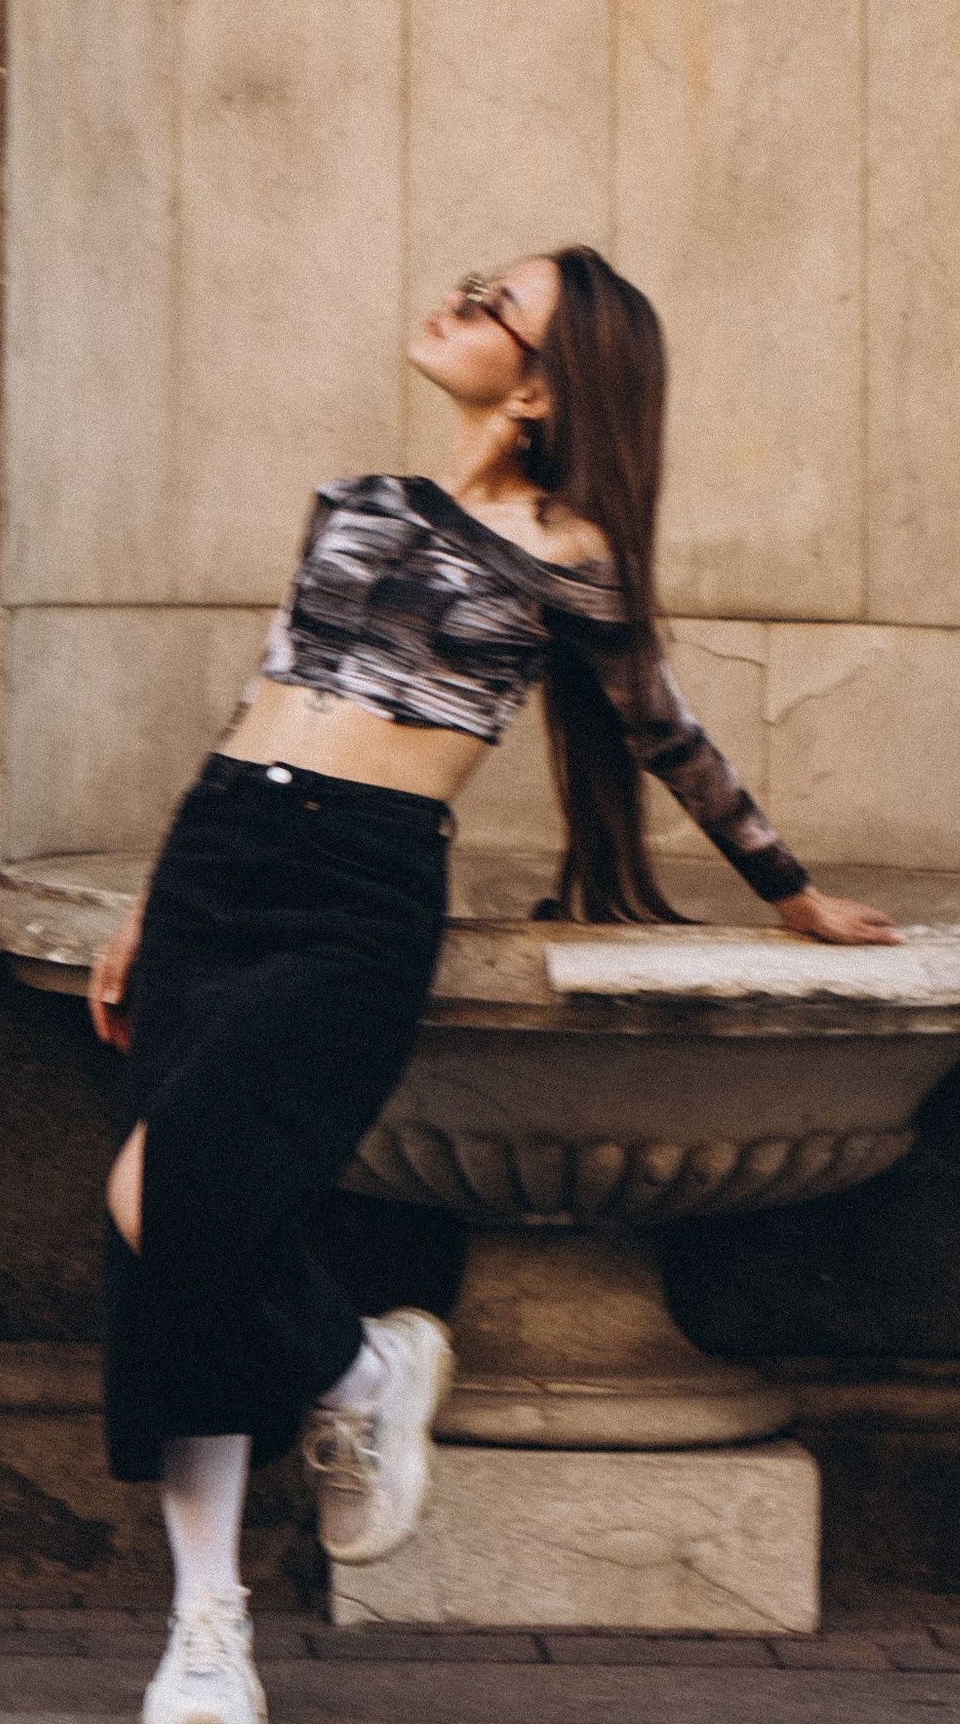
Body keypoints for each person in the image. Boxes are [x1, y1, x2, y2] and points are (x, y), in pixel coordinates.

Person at [91, 245, 897, 1724]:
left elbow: (670, 735)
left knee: (171, 1201)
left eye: (492, 303)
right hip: (221, 857)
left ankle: (360, 1371)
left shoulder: (572, 557)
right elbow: (267, 687)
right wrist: (151, 901)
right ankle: (208, 1623)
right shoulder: (358, 501)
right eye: (470, 284)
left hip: (357, 890)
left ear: (539, 388)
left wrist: (790, 893)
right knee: (178, 1257)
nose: (454, 303)